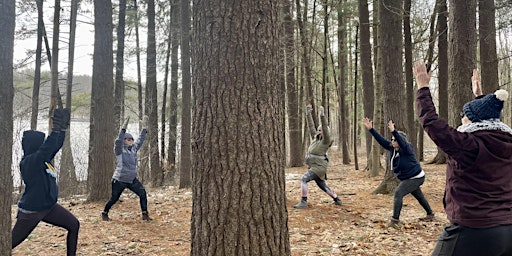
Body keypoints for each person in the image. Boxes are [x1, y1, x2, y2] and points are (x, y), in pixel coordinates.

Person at [414, 60, 512, 255]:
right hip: (508, 230)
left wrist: (423, 88)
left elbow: (432, 123)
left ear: (473, 120)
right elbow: (488, 119)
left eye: (465, 116)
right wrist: (481, 99)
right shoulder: (507, 143)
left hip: (473, 229)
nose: (462, 119)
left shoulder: (468, 145)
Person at [12, 108, 80, 256]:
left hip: (48, 207)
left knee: (74, 225)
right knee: (9, 243)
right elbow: (47, 148)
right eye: (41, 142)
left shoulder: (44, 159)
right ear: (34, 144)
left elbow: (54, 146)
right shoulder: (29, 162)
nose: (43, 145)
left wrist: (62, 130)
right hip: (32, 211)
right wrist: (54, 130)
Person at [362, 118, 434, 228]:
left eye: (395, 140)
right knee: (419, 196)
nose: (393, 141)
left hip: (416, 177)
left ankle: (395, 221)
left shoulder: (407, 148)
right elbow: (381, 140)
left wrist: (394, 131)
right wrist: (371, 129)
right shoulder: (392, 148)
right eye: (392, 140)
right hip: (407, 178)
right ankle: (430, 214)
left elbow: (401, 142)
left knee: (398, 193)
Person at [101, 117, 152, 221]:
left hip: (131, 179)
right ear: (124, 140)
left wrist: (144, 129)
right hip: (119, 180)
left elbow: (140, 140)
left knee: (142, 193)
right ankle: (104, 213)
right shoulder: (119, 150)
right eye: (128, 139)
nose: (131, 141)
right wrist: (123, 129)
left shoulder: (133, 149)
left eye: (131, 139)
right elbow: (117, 141)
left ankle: (145, 214)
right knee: (114, 198)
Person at [294, 104, 342, 208]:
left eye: (320, 130)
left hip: (319, 167)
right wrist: (308, 113)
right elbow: (311, 126)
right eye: (318, 130)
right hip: (314, 166)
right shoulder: (315, 138)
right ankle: (336, 199)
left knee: (304, 179)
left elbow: (324, 128)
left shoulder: (326, 141)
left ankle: (304, 202)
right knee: (321, 184)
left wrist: (322, 115)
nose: (318, 131)